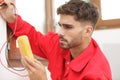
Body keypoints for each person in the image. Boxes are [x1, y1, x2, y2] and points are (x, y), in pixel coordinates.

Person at [0, 0, 112, 80]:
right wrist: (11, 18)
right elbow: (34, 38)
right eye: (60, 25)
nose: (60, 33)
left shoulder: (96, 74)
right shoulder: (58, 43)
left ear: (87, 31)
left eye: (68, 27)